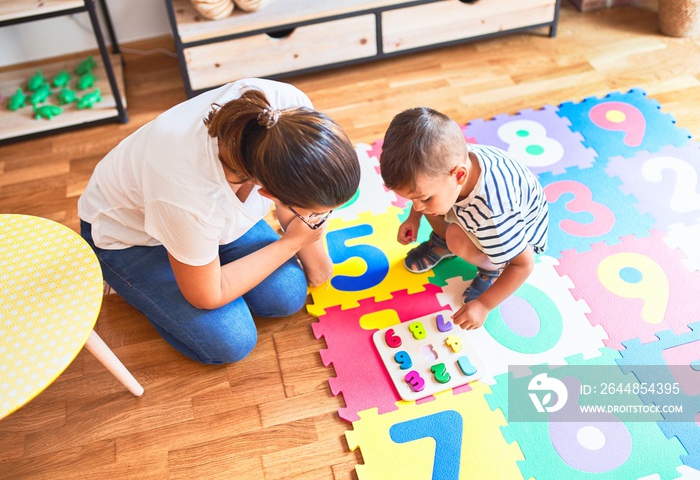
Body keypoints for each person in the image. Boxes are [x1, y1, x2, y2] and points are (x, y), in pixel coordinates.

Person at [78, 78, 360, 364]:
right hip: (129, 237)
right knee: (231, 341)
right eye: (311, 211)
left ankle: (194, 262)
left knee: (287, 294)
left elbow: (303, 217)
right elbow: (208, 295)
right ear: (269, 193)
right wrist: (293, 243)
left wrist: (318, 265)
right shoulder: (190, 196)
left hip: (198, 222)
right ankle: (134, 285)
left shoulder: (290, 111)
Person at [379, 107, 548, 330]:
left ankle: (492, 269)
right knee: (435, 208)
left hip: (510, 241)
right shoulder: (447, 162)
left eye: (422, 198)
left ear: (459, 175)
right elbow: (424, 198)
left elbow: (523, 264)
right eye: (412, 199)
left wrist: (485, 305)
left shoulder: (494, 212)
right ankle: (441, 242)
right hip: (471, 212)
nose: (416, 206)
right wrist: (414, 218)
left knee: (455, 237)